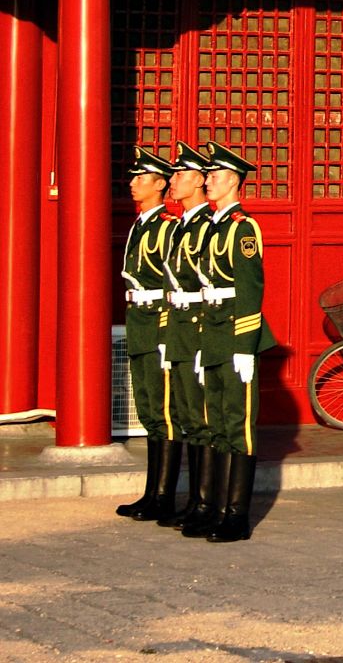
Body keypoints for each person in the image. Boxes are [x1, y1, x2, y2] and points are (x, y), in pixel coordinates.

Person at [195, 142, 275, 542]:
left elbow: (249, 289)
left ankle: (237, 515)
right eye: (208, 175)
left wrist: (245, 347)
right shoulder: (213, 225)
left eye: (215, 176)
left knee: (239, 424)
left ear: (233, 182)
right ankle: (218, 508)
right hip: (211, 331)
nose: (208, 181)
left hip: (233, 332)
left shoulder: (244, 228)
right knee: (217, 423)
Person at [117, 147, 180, 521]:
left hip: (158, 321)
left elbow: (177, 282)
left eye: (141, 179)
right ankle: (152, 492)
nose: (133, 184)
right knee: (148, 412)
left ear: (160, 185)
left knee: (164, 411)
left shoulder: (167, 228)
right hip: (139, 319)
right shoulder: (141, 224)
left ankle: (164, 495)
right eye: (133, 178)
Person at [156, 144, 217, 532]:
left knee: (203, 417)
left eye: (180, 176)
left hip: (198, 329)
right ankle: (194, 499)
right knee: (186, 417)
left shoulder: (207, 227)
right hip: (178, 328)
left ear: (197, 182)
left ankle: (206, 501)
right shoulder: (180, 226)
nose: (172, 182)